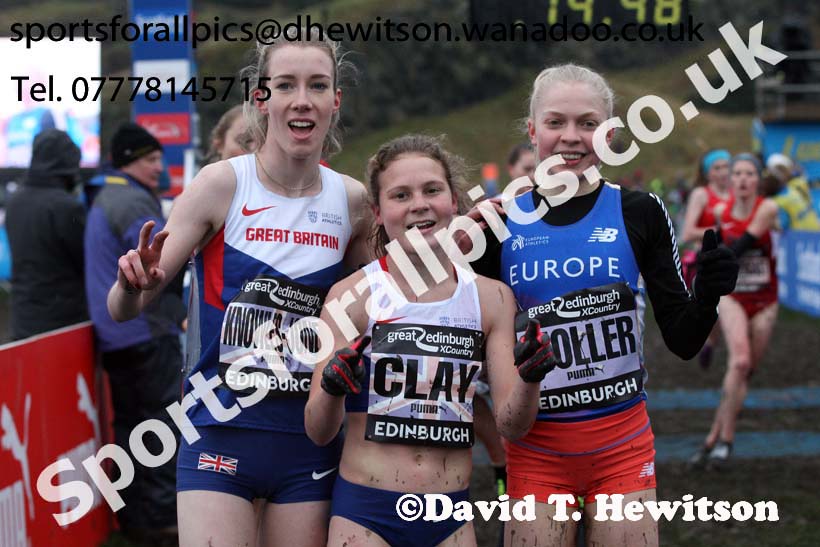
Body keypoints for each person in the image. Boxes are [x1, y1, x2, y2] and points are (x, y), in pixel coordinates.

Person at [107, 30, 371, 547]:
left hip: (308, 441)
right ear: (261, 97)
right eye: (286, 85)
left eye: (318, 86)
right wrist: (131, 283)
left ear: (335, 101)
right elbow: (126, 307)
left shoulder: (352, 201)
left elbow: (380, 308)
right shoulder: (221, 184)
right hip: (217, 431)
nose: (302, 100)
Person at [468, 63, 739, 546]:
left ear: (609, 133)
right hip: (535, 452)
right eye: (555, 122)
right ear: (532, 131)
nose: (571, 137)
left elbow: (682, 339)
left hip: (622, 449)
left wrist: (708, 295)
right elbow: (470, 343)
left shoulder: (640, 211)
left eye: (588, 123)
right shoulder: (498, 224)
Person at [304, 134, 556, 547]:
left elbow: (513, 425)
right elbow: (318, 431)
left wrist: (530, 379)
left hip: (450, 516)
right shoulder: (352, 297)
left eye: (431, 190)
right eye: (401, 195)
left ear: (454, 201)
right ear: (379, 212)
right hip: (365, 513)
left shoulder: (491, 298)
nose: (419, 203)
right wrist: (332, 389)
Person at [84, 122, 185, 545]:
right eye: (150, 159)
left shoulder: (104, 196)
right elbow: (158, 262)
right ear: (128, 161)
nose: (159, 168)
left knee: (130, 431)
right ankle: (161, 522)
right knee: (159, 430)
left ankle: (134, 521)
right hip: (144, 332)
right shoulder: (130, 201)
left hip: (116, 337)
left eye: (160, 158)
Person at [691, 154, 780, 469]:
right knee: (739, 361)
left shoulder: (767, 209)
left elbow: (739, 247)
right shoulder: (719, 211)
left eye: (749, 174)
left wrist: (712, 262)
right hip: (732, 297)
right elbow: (715, 248)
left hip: (765, 300)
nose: (742, 179)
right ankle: (726, 441)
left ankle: (712, 438)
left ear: (758, 180)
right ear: (730, 181)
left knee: (745, 372)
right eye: (737, 174)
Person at [6, 129, 88, 340]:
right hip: (64, 323)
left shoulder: (14, 200)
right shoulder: (65, 206)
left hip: (23, 316)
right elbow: (86, 261)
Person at [681, 148, 733, 368]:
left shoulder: (736, 193)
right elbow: (687, 232)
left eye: (726, 166)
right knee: (712, 311)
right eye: (717, 168)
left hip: (730, 261)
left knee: (728, 310)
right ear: (707, 172)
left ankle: (714, 344)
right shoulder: (701, 194)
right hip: (703, 261)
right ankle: (708, 343)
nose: (723, 172)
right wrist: (720, 229)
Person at [766, 153, 820, 231]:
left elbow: (781, 226)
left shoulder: (789, 193)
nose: (780, 174)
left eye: (781, 170)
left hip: (800, 237)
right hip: (812, 235)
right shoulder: (797, 186)